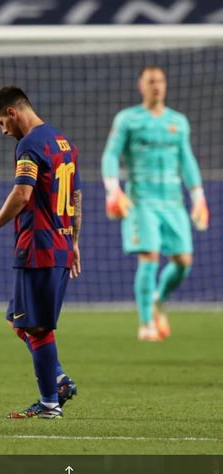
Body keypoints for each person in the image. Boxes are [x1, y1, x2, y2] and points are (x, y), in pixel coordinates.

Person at [0, 86, 81, 418]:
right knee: (18, 320)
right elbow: (75, 199)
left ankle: (50, 403)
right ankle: (58, 380)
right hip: (60, 245)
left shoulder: (30, 144)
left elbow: (21, 194)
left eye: (1, 124)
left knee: (36, 328)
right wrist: (74, 242)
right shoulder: (64, 144)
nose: (3, 131)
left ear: (12, 113)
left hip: (39, 247)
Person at [101, 66, 209, 342]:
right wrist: (113, 190)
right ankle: (146, 323)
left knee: (183, 262)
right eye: (151, 81)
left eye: (160, 80)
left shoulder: (178, 121)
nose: (156, 86)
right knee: (149, 258)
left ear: (166, 85)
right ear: (141, 86)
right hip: (141, 201)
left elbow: (187, 160)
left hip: (173, 202)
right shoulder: (128, 119)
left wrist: (198, 196)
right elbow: (111, 155)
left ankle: (159, 298)